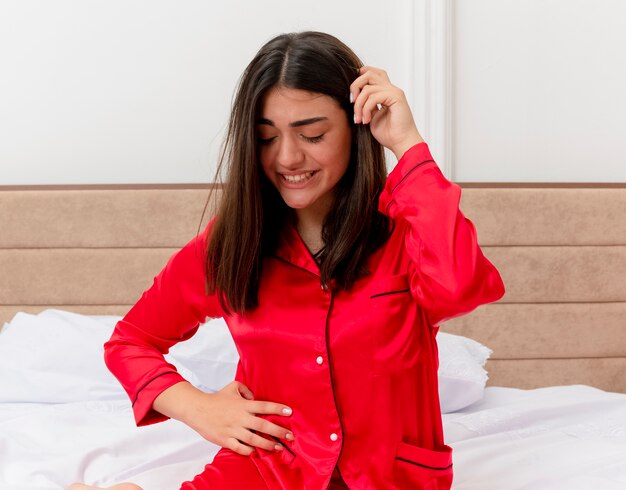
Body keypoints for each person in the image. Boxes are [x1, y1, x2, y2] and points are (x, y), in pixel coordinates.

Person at [68, 31, 504, 490]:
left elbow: (459, 288)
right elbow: (130, 342)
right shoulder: (233, 241)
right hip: (265, 471)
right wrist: (200, 408)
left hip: (390, 478)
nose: (288, 157)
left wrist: (408, 144)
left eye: (312, 134)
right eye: (266, 138)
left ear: (356, 129)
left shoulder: (408, 227)